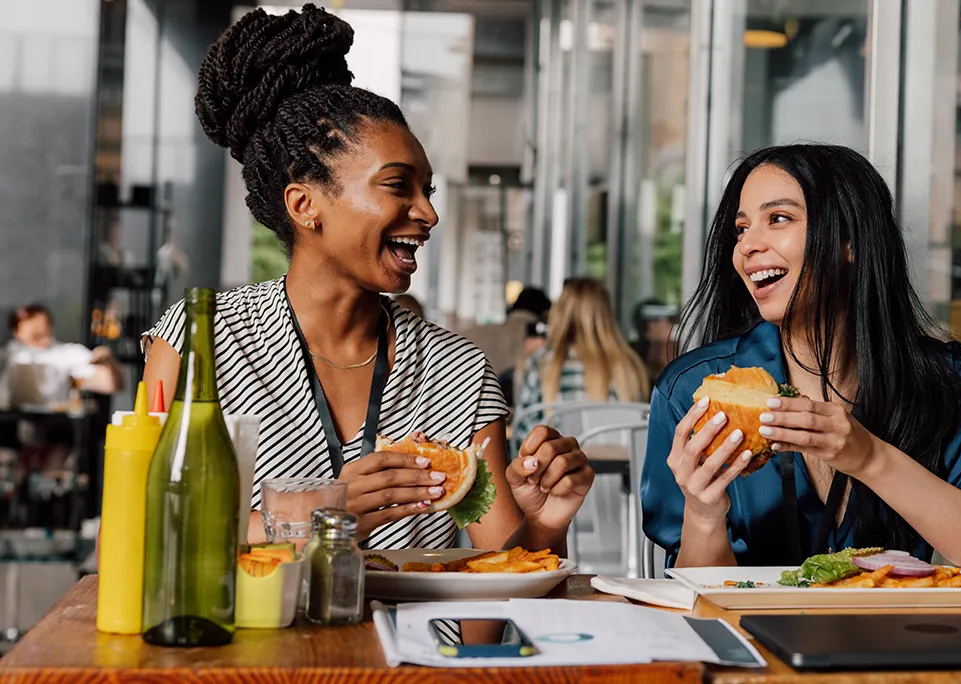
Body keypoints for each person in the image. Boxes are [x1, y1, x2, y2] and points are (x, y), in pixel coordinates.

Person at [142, 5, 592, 554]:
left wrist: (545, 522)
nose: (427, 213)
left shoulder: (459, 370)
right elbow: (149, 535)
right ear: (305, 204)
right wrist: (318, 514)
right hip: (251, 639)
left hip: (416, 640)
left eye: (429, 190)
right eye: (398, 186)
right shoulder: (200, 339)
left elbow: (501, 575)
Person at [640, 144, 961, 585]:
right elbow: (693, 605)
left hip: (898, 643)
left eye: (777, 219)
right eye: (741, 229)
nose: (747, 247)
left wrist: (868, 455)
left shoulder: (953, 382)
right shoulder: (689, 391)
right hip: (750, 647)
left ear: (850, 241)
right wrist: (703, 514)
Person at [516, 278, 649, 436]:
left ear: (560, 313)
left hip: (558, 458)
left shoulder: (542, 364)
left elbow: (522, 434)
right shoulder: (630, 367)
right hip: (621, 460)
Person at [6, 303, 122, 403]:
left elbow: (112, 384)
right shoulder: (8, 353)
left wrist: (107, 360)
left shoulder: (67, 354)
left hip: (53, 422)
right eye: (22, 321)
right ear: (16, 331)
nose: (33, 325)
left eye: (33, 317)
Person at [630, 298, 679, 387]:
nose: (671, 324)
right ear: (652, 325)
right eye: (668, 319)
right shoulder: (639, 358)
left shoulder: (631, 353)